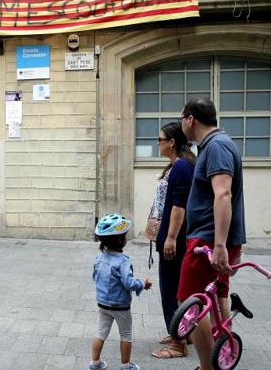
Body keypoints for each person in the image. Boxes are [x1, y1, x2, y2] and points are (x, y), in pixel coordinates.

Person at [178, 97, 246, 370]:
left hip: (208, 239)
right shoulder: (216, 145)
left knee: (190, 300)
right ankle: (221, 359)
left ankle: (207, 367)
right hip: (214, 238)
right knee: (217, 297)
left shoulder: (216, 147)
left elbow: (223, 193)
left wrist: (219, 245)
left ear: (190, 119)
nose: (181, 122)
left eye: (182, 118)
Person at [151, 122, 196, 359]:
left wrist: (170, 237)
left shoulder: (181, 167)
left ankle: (179, 344)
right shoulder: (179, 165)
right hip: (172, 236)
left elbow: (180, 206)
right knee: (176, 287)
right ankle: (181, 331)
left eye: (160, 139)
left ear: (172, 142)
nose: (157, 143)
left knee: (171, 289)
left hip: (175, 239)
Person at [89, 213, 152, 370]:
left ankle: (95, 363)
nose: (125, 238)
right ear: (119, 240)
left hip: (103, 303)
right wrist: (142, 284)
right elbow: (128, 283)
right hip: (120, 306)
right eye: (124, 236)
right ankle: (125, 366)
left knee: (100, 333)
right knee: (126, 335)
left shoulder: (99, 258)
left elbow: (95, 276)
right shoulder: (123, 261)